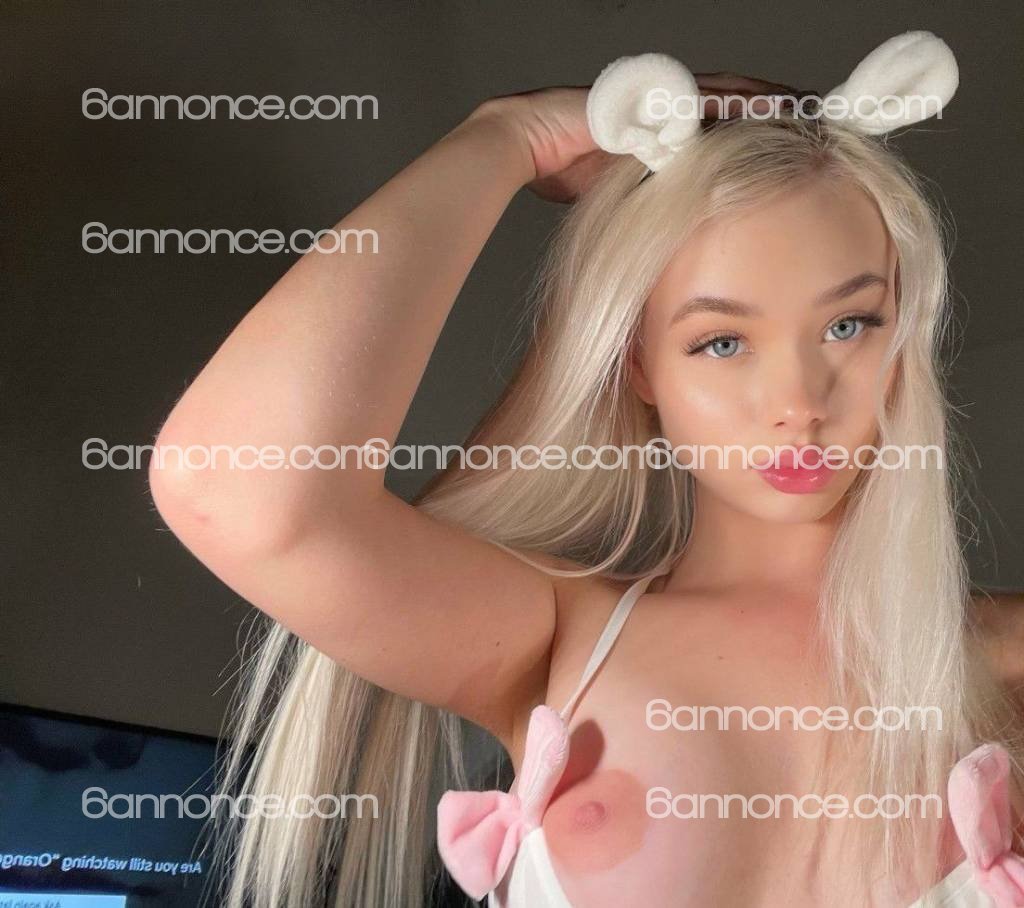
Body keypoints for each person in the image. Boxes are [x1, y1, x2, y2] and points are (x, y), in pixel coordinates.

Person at [148, 36, 1024, 908]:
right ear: (639, 366)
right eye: (721, 341)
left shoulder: (1006, 662)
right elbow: (236, 489)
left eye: (848, 325)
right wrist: (508, 138)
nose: (798, 402)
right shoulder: (557, 639)